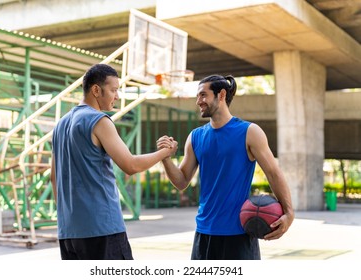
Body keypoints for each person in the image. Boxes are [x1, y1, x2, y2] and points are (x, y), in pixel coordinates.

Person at [156, 74, 294, 260]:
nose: (198, 101)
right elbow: (181, 181)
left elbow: (273, 173)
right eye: (198, 96)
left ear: (221, 95)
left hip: (239, 234)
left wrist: (289, 213)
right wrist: (165, 158)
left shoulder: (249, 132)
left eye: (203, 95)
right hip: (204, 233)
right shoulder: (195, 137)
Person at [50, 63, 176, 260]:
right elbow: (131, 165)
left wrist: (69, 219)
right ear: (96, 90)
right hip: (101, 229)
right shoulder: (99, 121)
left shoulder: (60, 125)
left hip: (68, 232)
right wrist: (165, 152)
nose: (117, 96)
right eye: (113, 90)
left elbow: (53, 178)